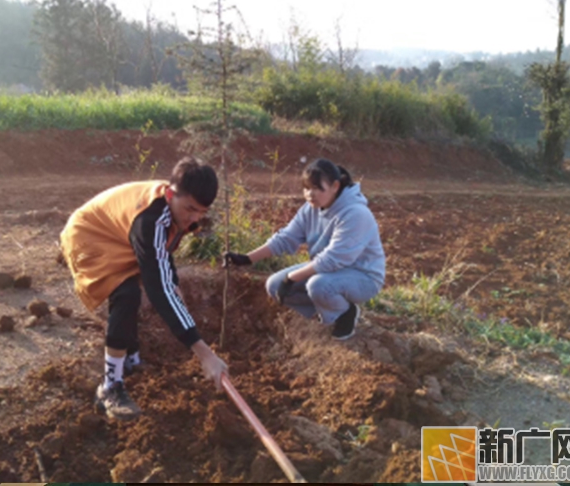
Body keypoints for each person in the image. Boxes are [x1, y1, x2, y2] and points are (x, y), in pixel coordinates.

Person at [59, 157, 228, 420]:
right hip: (89, 235)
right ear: (171, 194)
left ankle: (130, 360)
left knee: (141, 286)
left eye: (202, 213)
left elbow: (162, 253)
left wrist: (172, 282)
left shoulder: (173, 208)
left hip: (119, 234)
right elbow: (158, 286)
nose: (194, 218)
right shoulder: (151, 219)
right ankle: (110, 386)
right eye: (190, 209)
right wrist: (205, 354)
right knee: (126, 294)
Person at [224, 158, 385, 340]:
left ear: (335, 186)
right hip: (328, 272)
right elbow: (286, 238)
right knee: (274, 285)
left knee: (318, 286)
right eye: (307, 188)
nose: (310, 194)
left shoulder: (355, 214)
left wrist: (291, 278)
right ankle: (326, 311)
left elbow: (332, 259)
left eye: (317, 188)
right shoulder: (311, 209)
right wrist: (247, 258)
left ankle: (345, 312)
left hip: (363, 277)